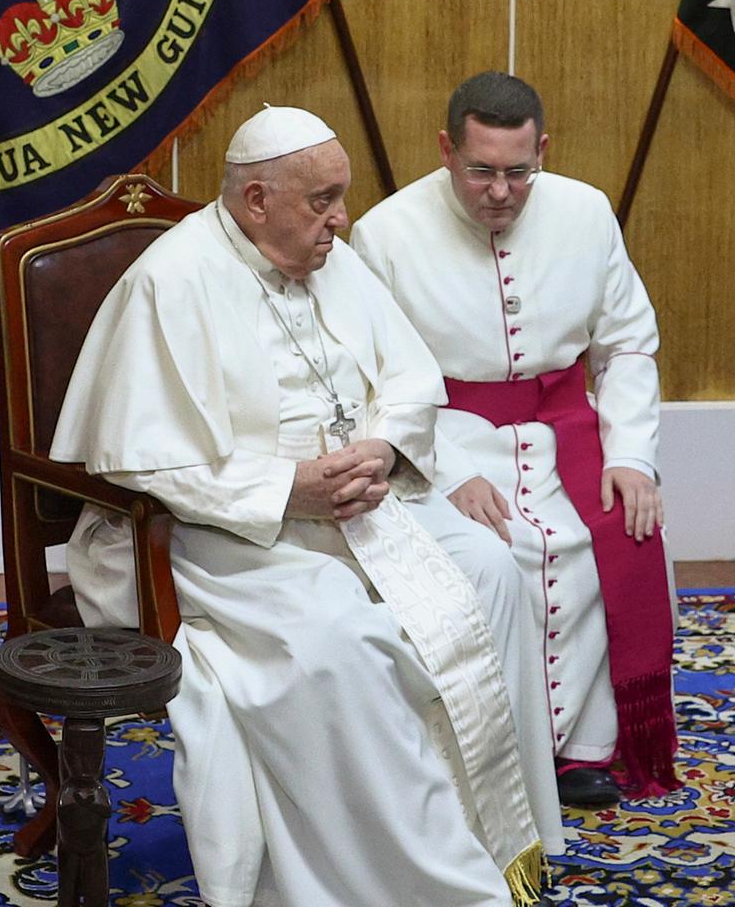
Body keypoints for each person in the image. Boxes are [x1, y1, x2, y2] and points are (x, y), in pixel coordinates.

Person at [51, 106, 564, 907]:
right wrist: (288, 489)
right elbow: (150, 462)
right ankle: (399, 885)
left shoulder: (334, 261)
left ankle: (489, 840)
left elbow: (409, 379)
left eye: (341, 197)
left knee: (494, 568)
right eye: (321, 200)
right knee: (340, 642)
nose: (341, 220)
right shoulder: (172, 281)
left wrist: (384, 450)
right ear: (257, 201)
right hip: (222, 533)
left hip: (361, 506)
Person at [350, 71, 676, 808]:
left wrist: (630, 456)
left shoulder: (586, 213)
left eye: (518, 173)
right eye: (481, 171)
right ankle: (497, 745)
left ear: (543, 154)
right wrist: (440, 470)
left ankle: (582, 747)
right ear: (445, 151)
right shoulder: (385, 234)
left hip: (566, 425)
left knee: (616, 531)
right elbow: (376, 382)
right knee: (506, 549)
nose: (499, 191)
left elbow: (626, 346)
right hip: (449, 431)